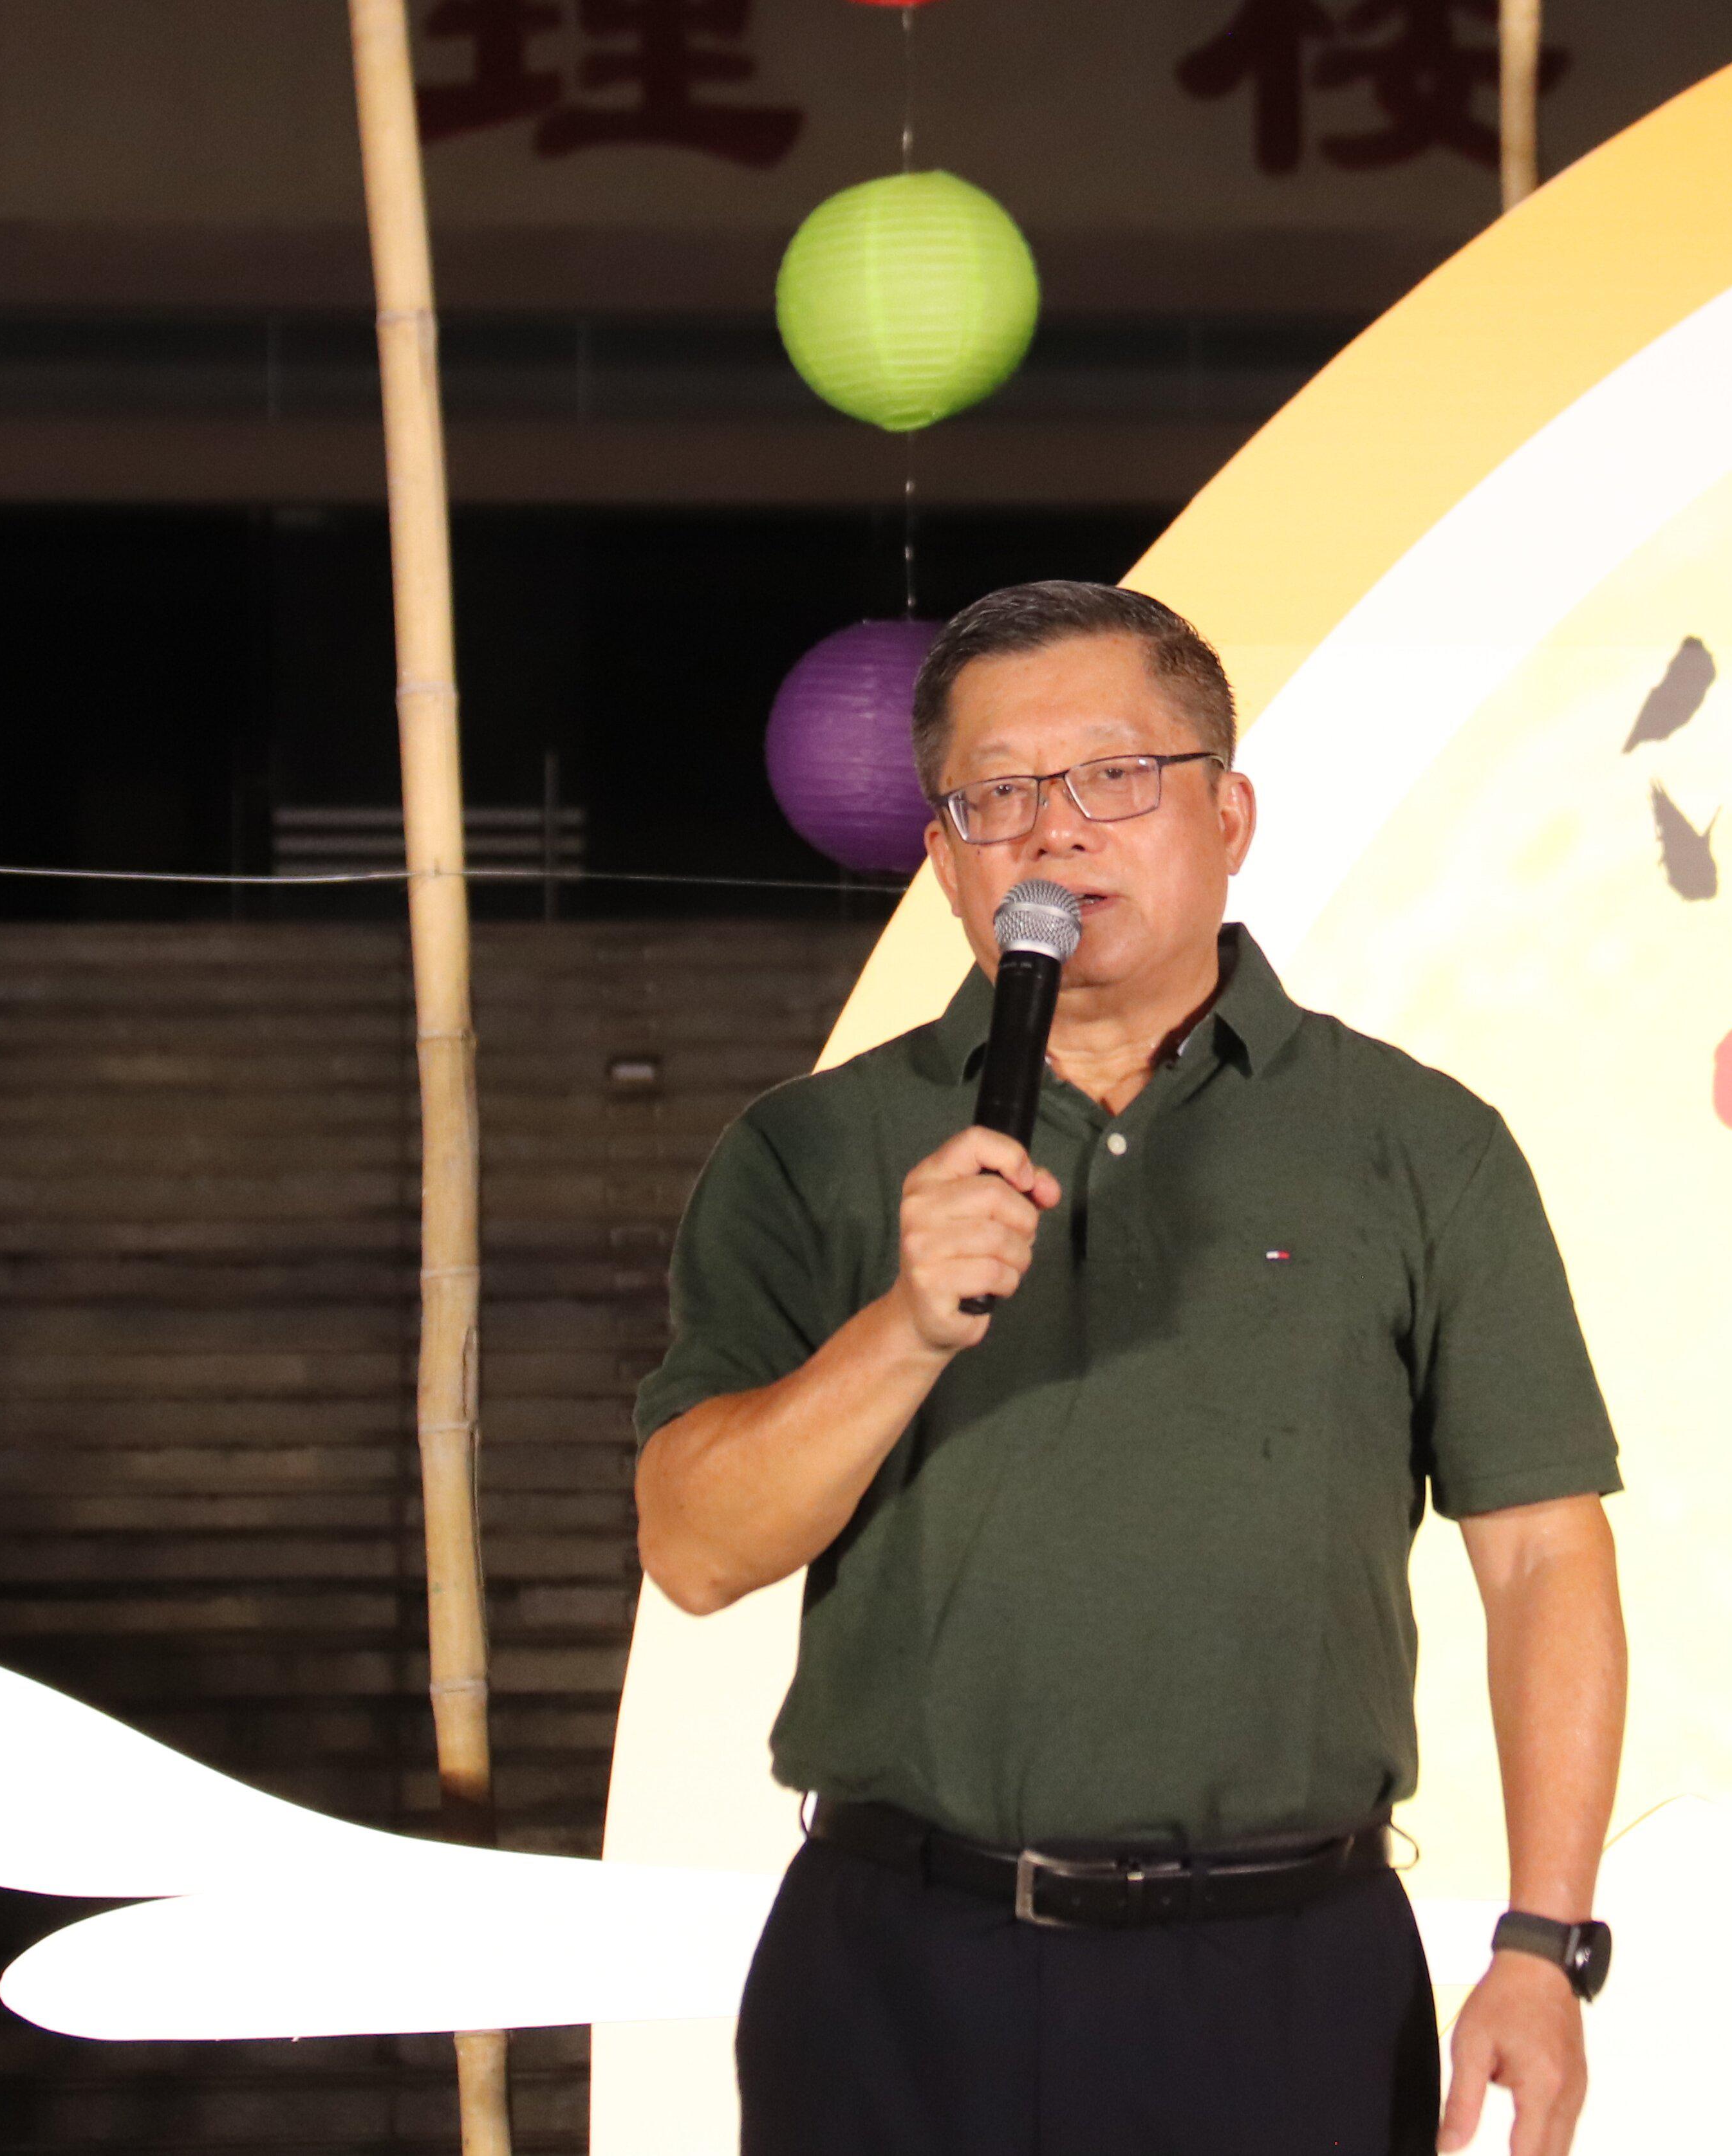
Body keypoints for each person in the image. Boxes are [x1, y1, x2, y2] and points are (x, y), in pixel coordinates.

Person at [633, 581, 1627, 2156]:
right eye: (1000, 794)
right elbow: (695, 1548)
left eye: (1113, 774)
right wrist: (905, 1324)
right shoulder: (813, 1148)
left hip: (1285, 1977)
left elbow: (1542, 1553)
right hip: (899, 1969)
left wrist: (1544, 1940)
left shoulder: (1416, 1143)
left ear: (1228, 816)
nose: (1056, 830)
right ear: (945, 856)